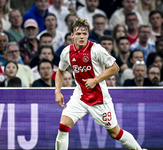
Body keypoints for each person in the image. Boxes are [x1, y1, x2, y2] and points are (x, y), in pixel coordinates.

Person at [55, 18, 142, 150]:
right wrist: (57, 91)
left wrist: (95, 80)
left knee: (115, 133)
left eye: (84, 33)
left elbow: (115, 68)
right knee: (63, 126)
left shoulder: (96, 49)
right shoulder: (66, 52)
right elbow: (60, 71)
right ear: (72, 35)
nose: (82, 36)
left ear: (88, 34)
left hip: (99, 99)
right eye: (78, 34)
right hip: (80, 95)